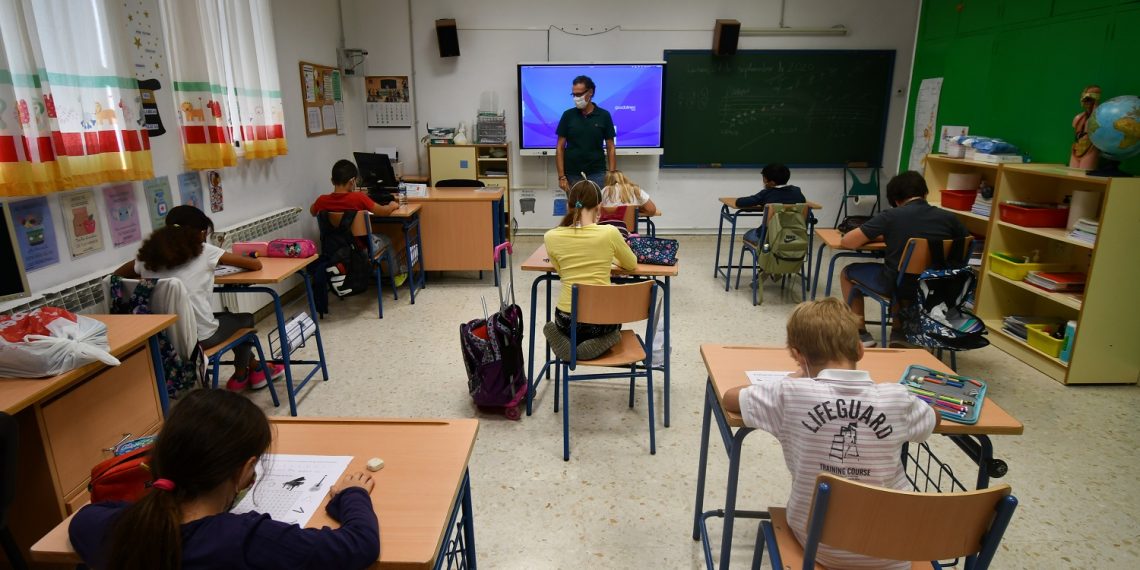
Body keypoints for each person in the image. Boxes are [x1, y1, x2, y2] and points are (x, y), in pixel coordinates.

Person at [722, 298, 939, 570]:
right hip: (894, 550)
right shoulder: (897, 398)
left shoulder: (789, 393)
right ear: (860, 350)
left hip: (818, 545)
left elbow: (731, 398)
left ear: (798, 355)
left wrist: (793, 378)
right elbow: (933, 419)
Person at [69, 389, 380, 570]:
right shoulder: (247, 539)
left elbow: (84, 518)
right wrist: (352, 495)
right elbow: (360, 545)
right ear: (245, 470)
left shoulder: (113, 530)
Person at [113, 205, 281, 392]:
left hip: (162, 342)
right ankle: (240, 376)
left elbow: (115, 277)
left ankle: (256, 366)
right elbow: (255, 264)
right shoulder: (205, 251)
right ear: (201, 233)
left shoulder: (147, 256)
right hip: (199, 340)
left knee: (223, 319)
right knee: (245, 319)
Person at [839, 171, 969, 347]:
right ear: (925, 193)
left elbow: (848, 241)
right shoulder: (950, 218)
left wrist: (879, 235)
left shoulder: (891, 216)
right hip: (939, 287)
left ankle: (860, 333)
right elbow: (965, 245)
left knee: (848, 273)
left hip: (900, 285)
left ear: (896, 200)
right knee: (903, 273)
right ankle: (899, 332)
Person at [544, 179, 637, 343]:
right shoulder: (609, 232)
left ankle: (574, 348)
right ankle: (598, 345)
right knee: (614, 328)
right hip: (601, 322)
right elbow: (631, 264)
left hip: (565, 322)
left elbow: (562, 273)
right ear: (599, 207)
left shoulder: (550, 236)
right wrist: (611, 257)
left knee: (568, 329)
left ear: (568, 206)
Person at [311, 159, 406, 287]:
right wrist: (392, 205)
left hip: (334, 249)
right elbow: (383, 211)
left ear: (332, 181)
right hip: (359, 249)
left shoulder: (322, 201)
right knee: (387, 239)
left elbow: (312, 211)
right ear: (352, 181)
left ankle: (371, 273)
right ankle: (396, 276)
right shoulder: (358, 198)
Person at [556, 75, 616, 193]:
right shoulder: (568, 115)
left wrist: (612, 174)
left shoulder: (604, 115)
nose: (576, 98)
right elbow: (560, 147)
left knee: (598, 204)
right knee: (576, 205)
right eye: (574, 95)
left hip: (597, 173)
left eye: (579, 94)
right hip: (572, 174)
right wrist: (561, 176)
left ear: (590, 92)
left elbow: (611, 147)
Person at [737, 163, 806, 245]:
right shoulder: (797, 191)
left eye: (764, 179)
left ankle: (765, 251)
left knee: (748, 234)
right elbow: (803, 202)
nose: (764, 181)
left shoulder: (767, 193)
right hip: (794, 236)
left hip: (768, 236)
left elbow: (741, 202)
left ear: (772, 182)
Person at [1070, 85, 1101, 169]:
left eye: (1090, 99)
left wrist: (1095, 107)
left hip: (1090, 148)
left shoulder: (1099, 118)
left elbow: (1093, 124)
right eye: (1085, 99)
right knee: (1072, 172)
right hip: (1077, 148)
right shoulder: (1078, 118)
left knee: (1084, 172)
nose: (1086, 102)